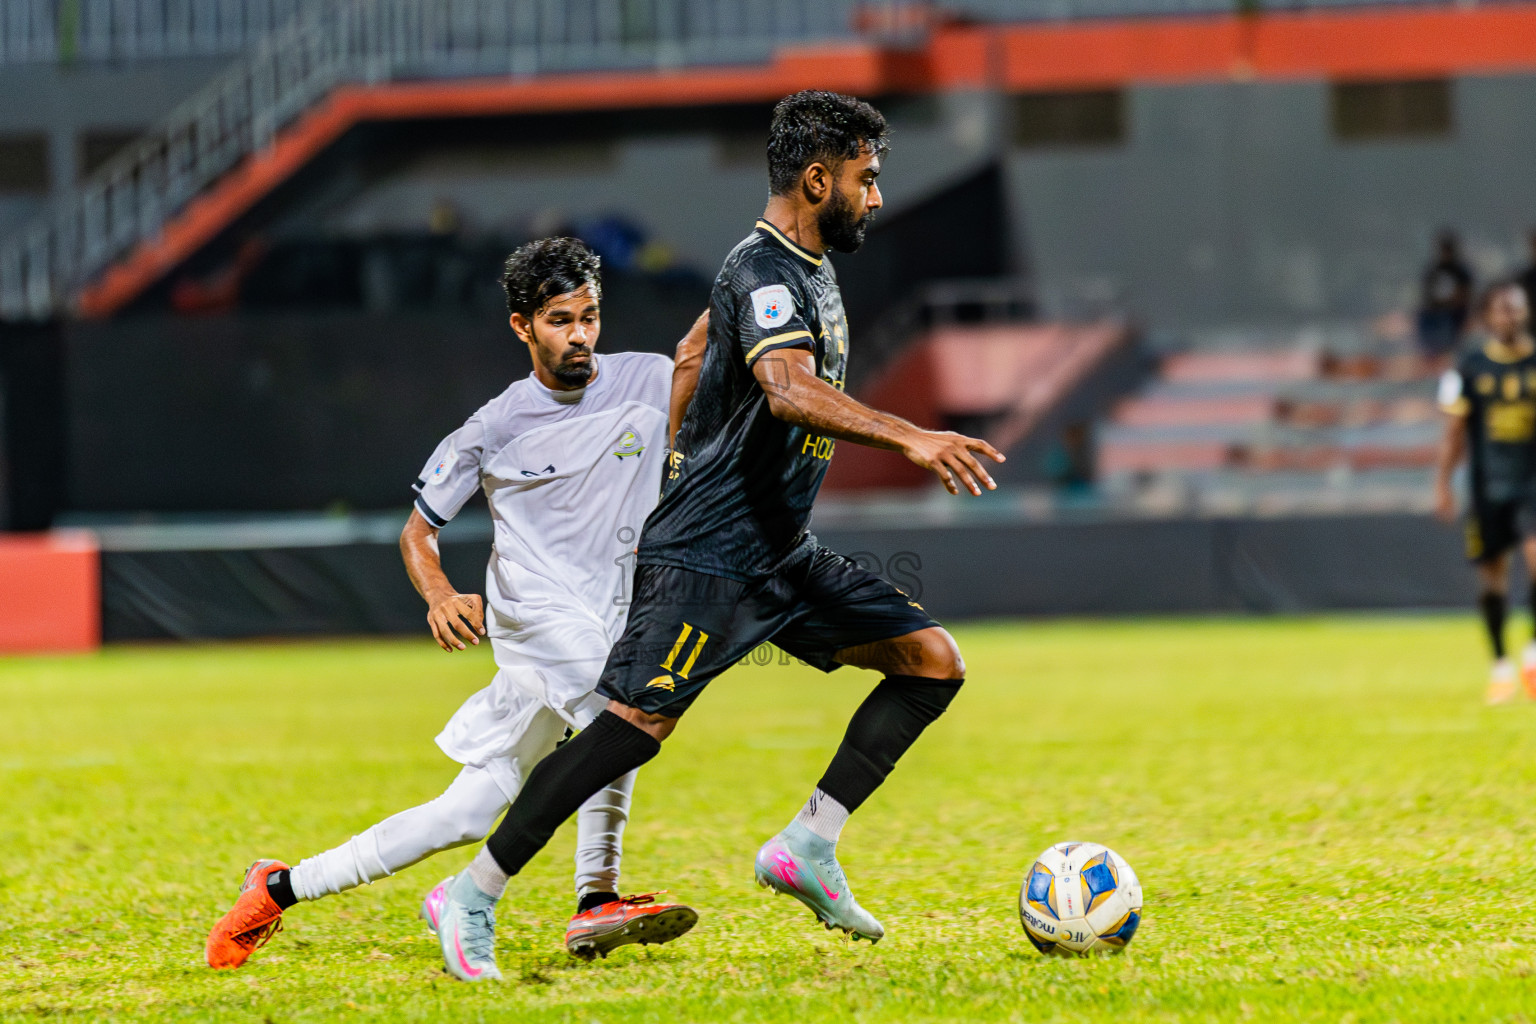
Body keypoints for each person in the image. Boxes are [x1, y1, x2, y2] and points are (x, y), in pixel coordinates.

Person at [428, 90, 1006, 983]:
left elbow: (699, 352)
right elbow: (783, 386)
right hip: (704, 555)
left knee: (931, 661)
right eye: (868, 178)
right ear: (819, 179)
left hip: (778, 551)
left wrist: (676, 437)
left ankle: (808, 846)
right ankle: (471, 894)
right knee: (626, 731)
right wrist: (911, 434)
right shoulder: (767, 270)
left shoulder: (799, 267)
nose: (878, 197)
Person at [204, 238, 707, 970]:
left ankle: (277, 887)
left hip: (607, 617)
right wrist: (440, 594)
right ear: (521, 327)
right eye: (561, 319)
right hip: (534, 616)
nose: (580, 335)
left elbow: (700, 359)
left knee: (467, 812)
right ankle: (594, 898)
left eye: (591, 317)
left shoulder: (645, 380)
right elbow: (418, 533)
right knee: (620, 718)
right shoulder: (493, 427)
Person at [1434, 281, 1536, 704]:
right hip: (1488, 485)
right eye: (1501, 310)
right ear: (1488, 317)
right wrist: (1442, 484)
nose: (1508, 316)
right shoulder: (1470, 367)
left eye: (1515, 309)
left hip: (1533, 483)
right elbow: (1455, 432)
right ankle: (1500, 665)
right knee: (1492, 578)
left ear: (1525, 312)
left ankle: (1533, 653)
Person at [1417, 230, 1474, 362]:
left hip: (1454, 315)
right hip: (1434, 315)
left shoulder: (1460, 272)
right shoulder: (1434, 271)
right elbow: (1427, 295)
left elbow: (1464, 296)